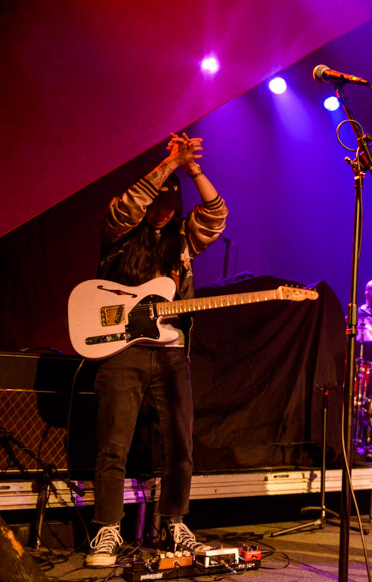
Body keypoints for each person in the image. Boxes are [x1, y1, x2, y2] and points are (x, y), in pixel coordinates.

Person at [85, 133, 227, 567]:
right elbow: (125, 206)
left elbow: (217, 215)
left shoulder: (182, 239)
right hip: (122, 350)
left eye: (170, 206)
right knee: (114, 443)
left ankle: (175, 522)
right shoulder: (121, 232)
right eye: (156, 205)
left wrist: (194, 170)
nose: (162, 212)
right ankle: (108, 529)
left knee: (180, 444)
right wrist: (168, 163)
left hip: (171, 351)